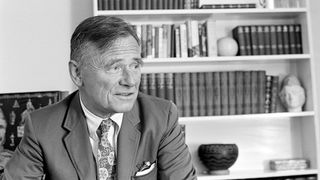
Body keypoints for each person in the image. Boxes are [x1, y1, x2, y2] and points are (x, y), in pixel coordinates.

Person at [1, 16, 197, 179]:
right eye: (115, 67)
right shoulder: (41, 126)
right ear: (77, 74)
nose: (130, 81)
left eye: (135, 65)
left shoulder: (161, 117)